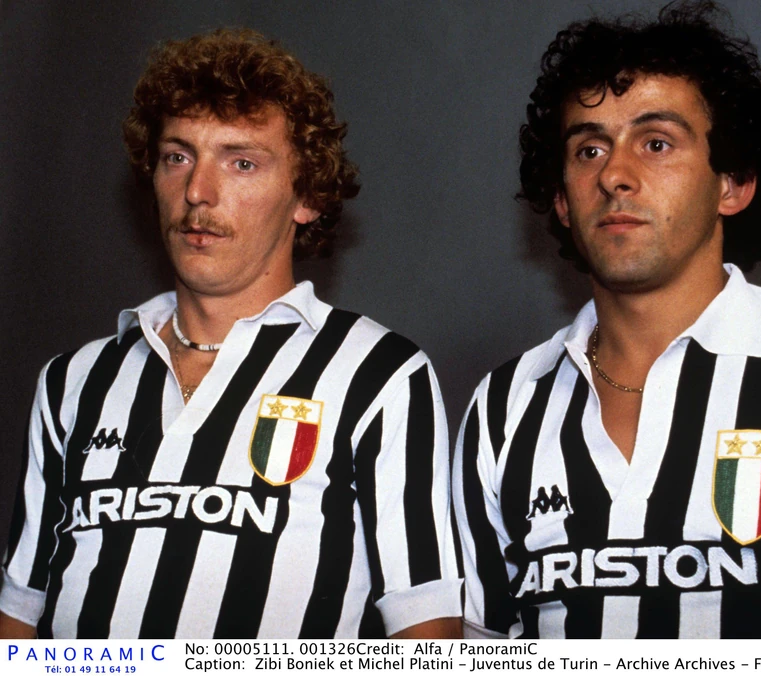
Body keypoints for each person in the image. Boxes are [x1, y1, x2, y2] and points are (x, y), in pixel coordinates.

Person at [453, 1, 761, 639]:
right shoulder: (504, 407)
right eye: (588, 149)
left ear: (734, 183)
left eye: (656, 143)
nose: (614, 175)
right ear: (559, 199)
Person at [0, 28, 461, 639]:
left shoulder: (378, 375)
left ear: (307, 196)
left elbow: (425, 629)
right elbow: (19, 615)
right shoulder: (73, 381)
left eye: (241, 162)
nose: (198, 192)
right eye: (178, 156)